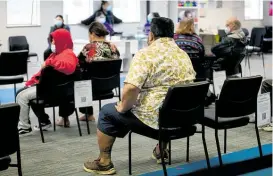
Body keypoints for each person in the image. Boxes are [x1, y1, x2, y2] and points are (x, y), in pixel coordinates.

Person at [82, 17, 195, 175]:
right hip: (184, 119)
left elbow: (130, 90)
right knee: (167, 101)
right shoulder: (184, 56)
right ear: (172, 35)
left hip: (157, 121)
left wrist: (122, 107)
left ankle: (104, 163)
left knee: (108, 112)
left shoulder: (145, 55)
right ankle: (161, 151)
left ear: (151, 35)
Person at [17, 29, 79, 135]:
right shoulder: (55, 54)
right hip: (49, 88)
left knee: (22, 96)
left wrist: (49, 62)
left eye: (54, 40)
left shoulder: (68, 54)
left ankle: (24, 127)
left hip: (53, 91)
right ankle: (44, 121)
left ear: (61, 40)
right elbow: (43, 73)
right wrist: (31, 81)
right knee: (24, 91)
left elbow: (69, 68)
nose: (52, 43)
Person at [78, 22, 120, 122]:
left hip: (92, 87)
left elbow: (78, 62)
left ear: (92, 34)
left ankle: (88, 113)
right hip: (110, 86)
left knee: (79, 77)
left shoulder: (89, 47)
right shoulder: (113, 47)